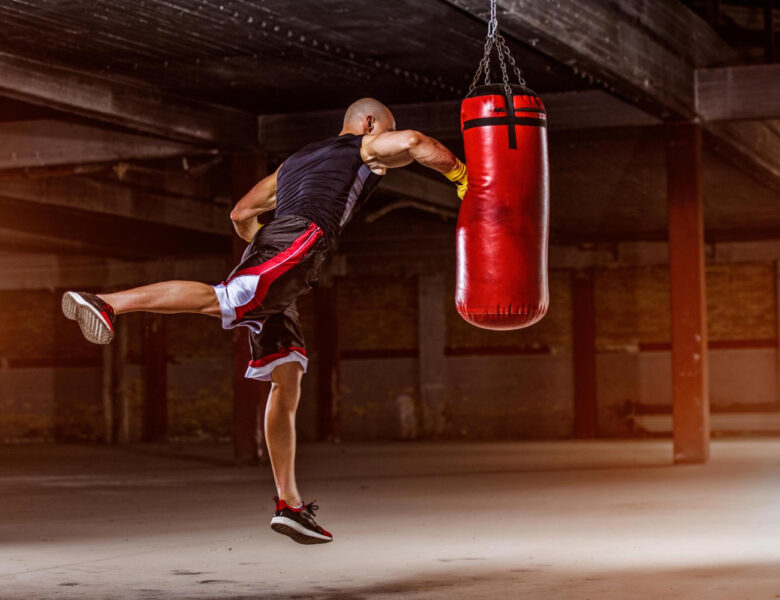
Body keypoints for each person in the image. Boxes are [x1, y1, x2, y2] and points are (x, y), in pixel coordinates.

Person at [61, 97, 468, 545]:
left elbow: (240, 214)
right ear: (368, 123)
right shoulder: (361, 147)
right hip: (302, 238)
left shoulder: (294, 163)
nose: (385, 153)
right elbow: (415, 142)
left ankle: (288, 505)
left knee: (286, 374)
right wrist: (463, 178)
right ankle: (106, 302)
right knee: (226, 298)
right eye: (380, 130)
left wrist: (264, 251)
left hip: (279, 249)